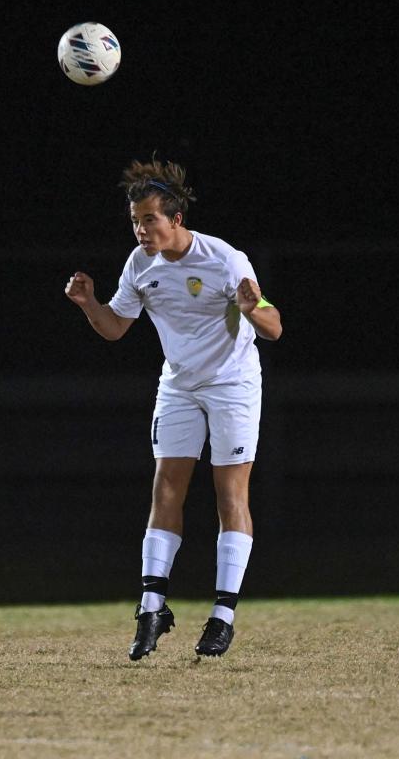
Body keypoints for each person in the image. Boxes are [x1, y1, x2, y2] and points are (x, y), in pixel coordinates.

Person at [65, 156, 282, 659]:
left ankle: (222, 617)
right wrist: (89, 305)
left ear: (176, 219)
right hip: (179, 387)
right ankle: (151, 609)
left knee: (230, 494)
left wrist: (253, 308)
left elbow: (273, 328)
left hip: (232, 385)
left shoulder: (224, 259)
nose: (141, 229)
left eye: (150, 219)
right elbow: (115, 327)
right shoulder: (140, 264)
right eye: (135, 220)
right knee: (166, 488)